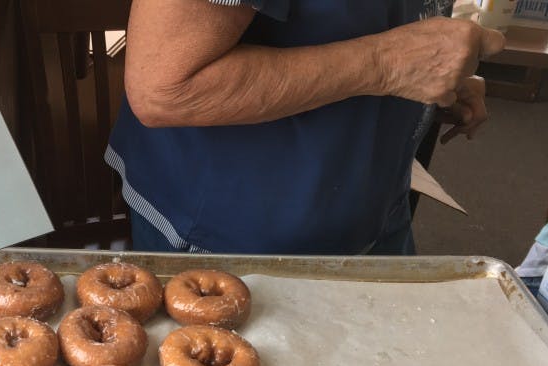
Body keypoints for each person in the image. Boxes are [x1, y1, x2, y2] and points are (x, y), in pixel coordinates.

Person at [106, 0, 506, 256]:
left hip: (375, 202)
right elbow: (165, 88)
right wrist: (390, 64)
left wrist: (433, 65)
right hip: (237, 232)